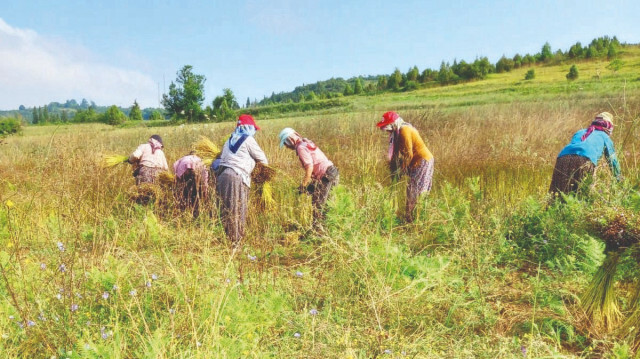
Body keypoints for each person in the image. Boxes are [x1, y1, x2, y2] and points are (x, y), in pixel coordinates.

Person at [216, 114, 268, 245]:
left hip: (222, 177)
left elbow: (221, 157)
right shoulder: (248, 140)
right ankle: (235, 244)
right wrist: (262, 174)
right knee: (238, 210)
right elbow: (263, 160)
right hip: (236, 177)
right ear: (248, 128)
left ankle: (228, 241)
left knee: (227, 210)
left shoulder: (229, 140)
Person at [377, 111, 434, 222]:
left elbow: (408, 154)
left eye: (387, 127)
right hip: (416, 162)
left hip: (422, 161)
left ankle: (414, 219)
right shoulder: (398, 131)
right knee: (412, 190)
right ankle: (412, 218)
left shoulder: (404, 130)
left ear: (393, 123)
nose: (387, 131)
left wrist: (401, 170)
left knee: (416, 191)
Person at [278, 128, 339, 232]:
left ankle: (318, 235)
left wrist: (303, 185)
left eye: (286, 143)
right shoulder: (306, 142)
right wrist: (313, 184)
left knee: (318, 207)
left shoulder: (300, 148)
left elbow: (309, 167)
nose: (287, 147)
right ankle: (328, 232)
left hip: (326, 176)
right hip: (331, 173)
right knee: (328, 206)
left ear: (290, 140)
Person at [549, 112, 621, 197]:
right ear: (609, 126)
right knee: (583, 193)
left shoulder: (580, 132)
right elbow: (613, 160)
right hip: (585, 160)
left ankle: (554, 209)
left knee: (559, 193)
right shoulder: (604, 136)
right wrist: (618, 178)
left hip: (563, 158)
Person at [173, 153, 209, 218]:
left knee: (185, 194)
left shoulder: (183, 159)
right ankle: (195, 214)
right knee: (195, 196)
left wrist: (177, 181)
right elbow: (205, 176)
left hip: (184, 175)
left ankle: (183, 212)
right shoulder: (200, 160)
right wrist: (205, 191)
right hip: (196, 177)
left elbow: (175, 166)